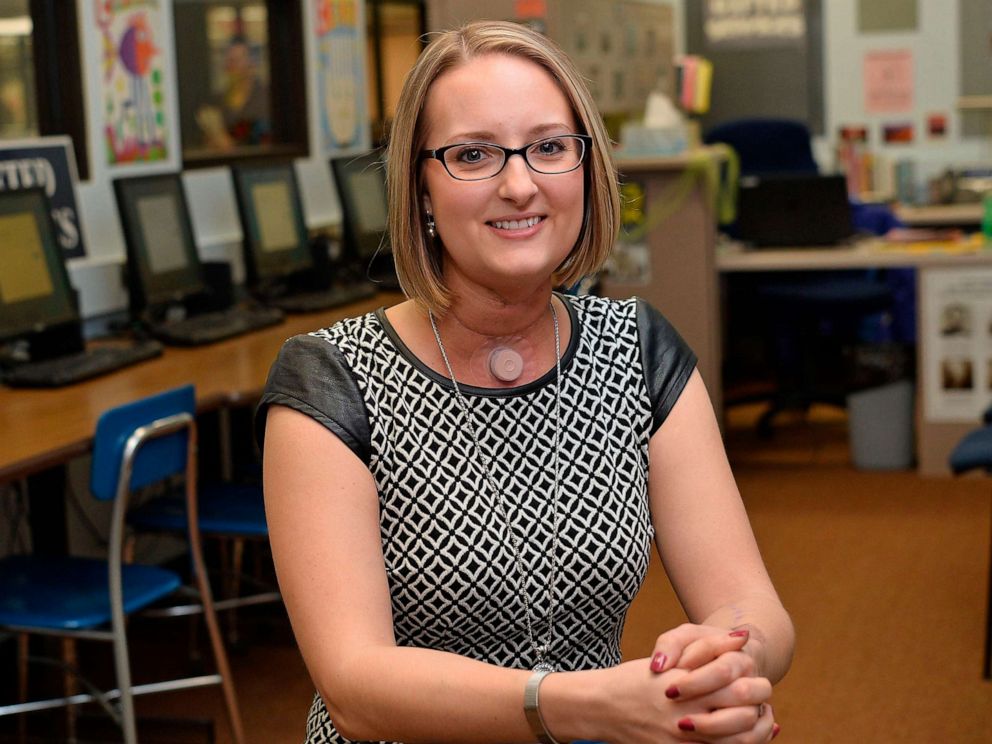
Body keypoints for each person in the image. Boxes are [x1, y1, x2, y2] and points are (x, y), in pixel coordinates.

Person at [257, 20, 794, 744]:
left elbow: (746, 599)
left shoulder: (637, 349)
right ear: (418, 187)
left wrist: (730, 664)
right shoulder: (330, 380)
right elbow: (355, 685)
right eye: (473, 154)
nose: (519, 184)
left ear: (585, 167)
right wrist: (587, 704)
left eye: (548, 147)